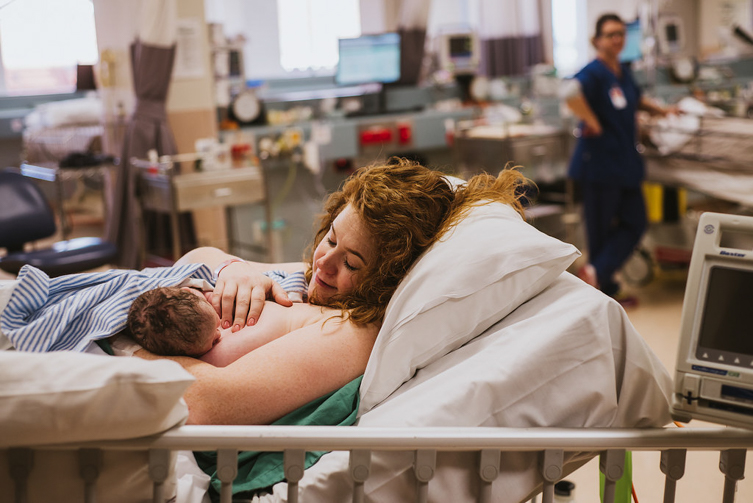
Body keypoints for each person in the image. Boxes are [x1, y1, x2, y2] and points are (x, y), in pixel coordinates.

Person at [134, 158, 528, 425]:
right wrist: (230, 267)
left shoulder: (350, 332)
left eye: (352, 264)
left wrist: (130, 351)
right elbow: (191, 260)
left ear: (386, 281)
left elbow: (201, 402)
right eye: (331, 238)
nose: (323, 264)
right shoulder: (313, 283)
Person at [564, 13, 675, 306]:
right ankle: (604, 290)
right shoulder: (593, 72)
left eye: (621, 34)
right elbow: (568, 92)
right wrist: (592, 120)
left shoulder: (622, 72)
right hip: (599, 165)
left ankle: (595, 272)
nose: (617, 39)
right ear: (597, 40)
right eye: (611, 34)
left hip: (624, 164)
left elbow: (635, 99)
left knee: (636, 221)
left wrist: (663, 112)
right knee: (599, 232)